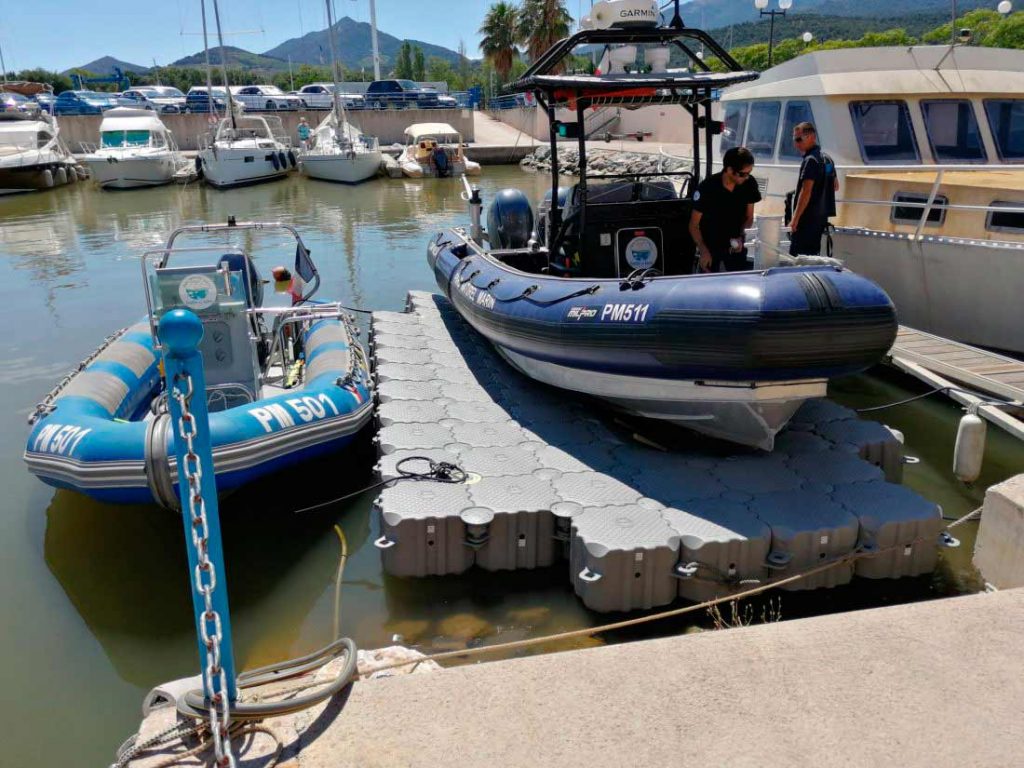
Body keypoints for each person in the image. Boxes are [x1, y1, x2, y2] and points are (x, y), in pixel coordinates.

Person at [688, 146, 761, 273]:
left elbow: (749, 217)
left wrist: (741, 237)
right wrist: (703, 250)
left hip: (736, 247)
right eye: (743, 174)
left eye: (749, 173)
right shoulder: (707, 188)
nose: (746, 177)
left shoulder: (749, 184)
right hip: (711, 249)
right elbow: (693, 225)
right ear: (729, 170)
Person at [789, 122, 838, 256]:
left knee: (798, 258)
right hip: (820, 219)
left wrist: (795, 219)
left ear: (811, 137)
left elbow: (806, 192)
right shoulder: (827, 159)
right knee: (812, 255)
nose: (796, 143)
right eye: (794, 139)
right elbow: (835, 185)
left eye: (799, 139)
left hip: (807, 219)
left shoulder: (811, 160)